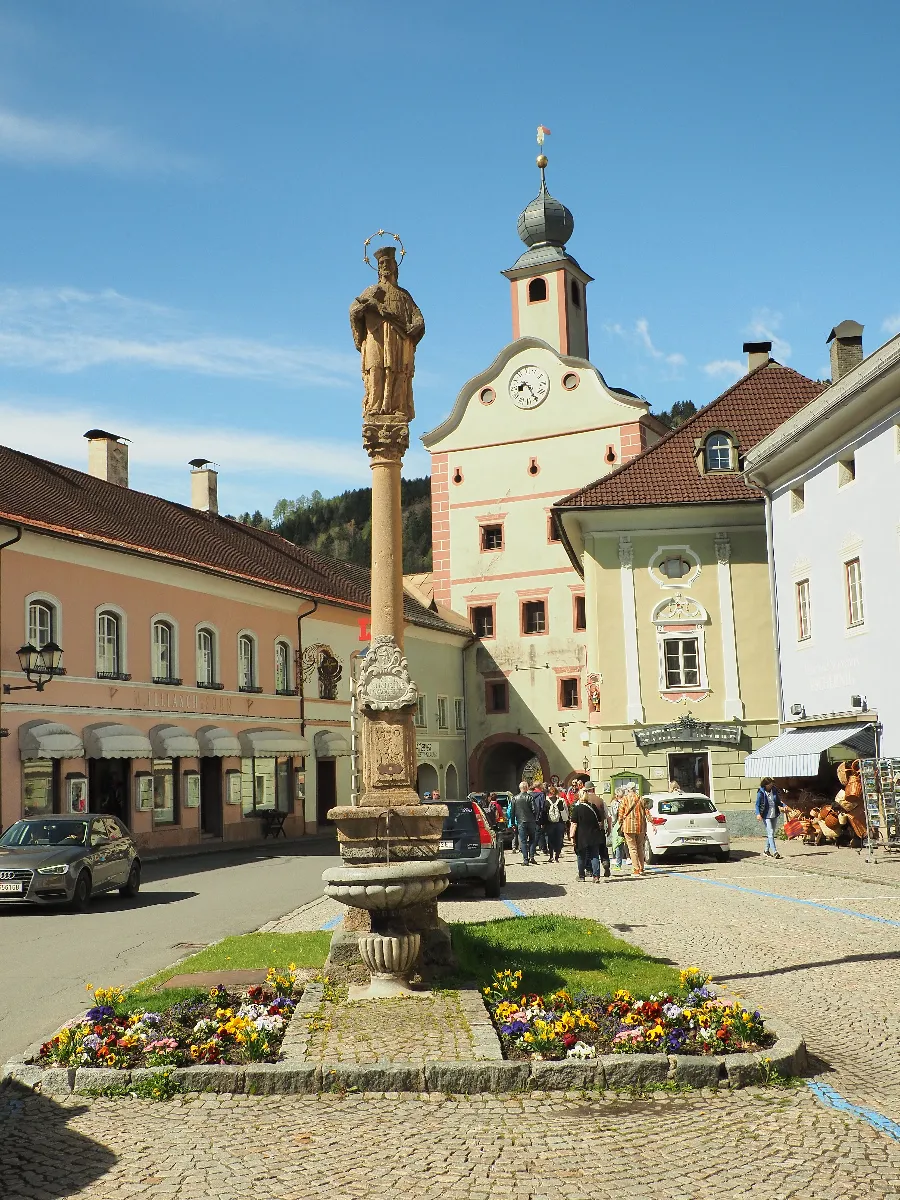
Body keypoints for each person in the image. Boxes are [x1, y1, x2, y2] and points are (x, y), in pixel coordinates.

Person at [570, 788, 611, 882]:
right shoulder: (593, 807)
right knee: (594, 855)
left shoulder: (577, 808)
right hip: (594, 834)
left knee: (581, 856)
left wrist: (572, 837)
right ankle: (596, 876)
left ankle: (581, 876)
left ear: (579, 797)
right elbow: (600, 820)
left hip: (581, 836)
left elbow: (574, 824)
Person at [617, 786, 648, 877]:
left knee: (632, 848)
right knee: (640, 847)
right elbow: (647, 812)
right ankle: (641, 868)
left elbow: (621, 812)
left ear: (628, 790)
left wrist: (620, 822)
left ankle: (636, 869)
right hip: (640, 827)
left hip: (628, 827)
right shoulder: (641, 798)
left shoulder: (625, 799)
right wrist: (651, 822)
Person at [756, 777, 784, 859]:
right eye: (770, 784)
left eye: (772, 784)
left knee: (770, 833)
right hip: (765, 815)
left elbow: (778, 802)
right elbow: (757, 804)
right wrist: (758, 814)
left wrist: (784, 806)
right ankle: (775, 852)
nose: (771, 785)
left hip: (774, 814)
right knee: (771, 832)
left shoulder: (774, 790)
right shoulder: (761, 792)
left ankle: (766, 850)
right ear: (765, 785)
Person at [512, 781, 538, 866]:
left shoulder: (515, 798)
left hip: (520, 822)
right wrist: (535, 818)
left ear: (520, 788)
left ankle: (525, 859)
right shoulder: (530, 798)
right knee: (532, 839)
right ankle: (532, 857)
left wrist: (513, 823)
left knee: (523, 841)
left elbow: (512, 812)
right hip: (531, 821)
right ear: (526, 788)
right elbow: (535, 810)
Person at [544, 787, 568, 862]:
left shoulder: (546, 801)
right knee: (559, 840)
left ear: (549, 793)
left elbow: (544, 813)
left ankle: (551, 856)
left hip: (550, 823)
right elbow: (565, 812)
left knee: (550, 840)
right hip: (559, 823)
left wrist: (544, 823)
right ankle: (557, 856)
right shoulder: (561, 801)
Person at [607, 791, 630, 872]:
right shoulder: (627, 801)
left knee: (618, 844)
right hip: (628, 824)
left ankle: (618, 863)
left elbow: (613, 816)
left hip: (618, 825)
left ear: (616, 795)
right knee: (630, 843)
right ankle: (630, 860)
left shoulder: (615, 803)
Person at [531, 782, 550, 858]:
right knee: (539, 833)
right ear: (539, 786)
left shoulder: (530, 795)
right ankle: (534, 849)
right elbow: (543, 807)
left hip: (531, 817)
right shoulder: (541, 795)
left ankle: (539, 848)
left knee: (534, 833)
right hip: (539, 817)